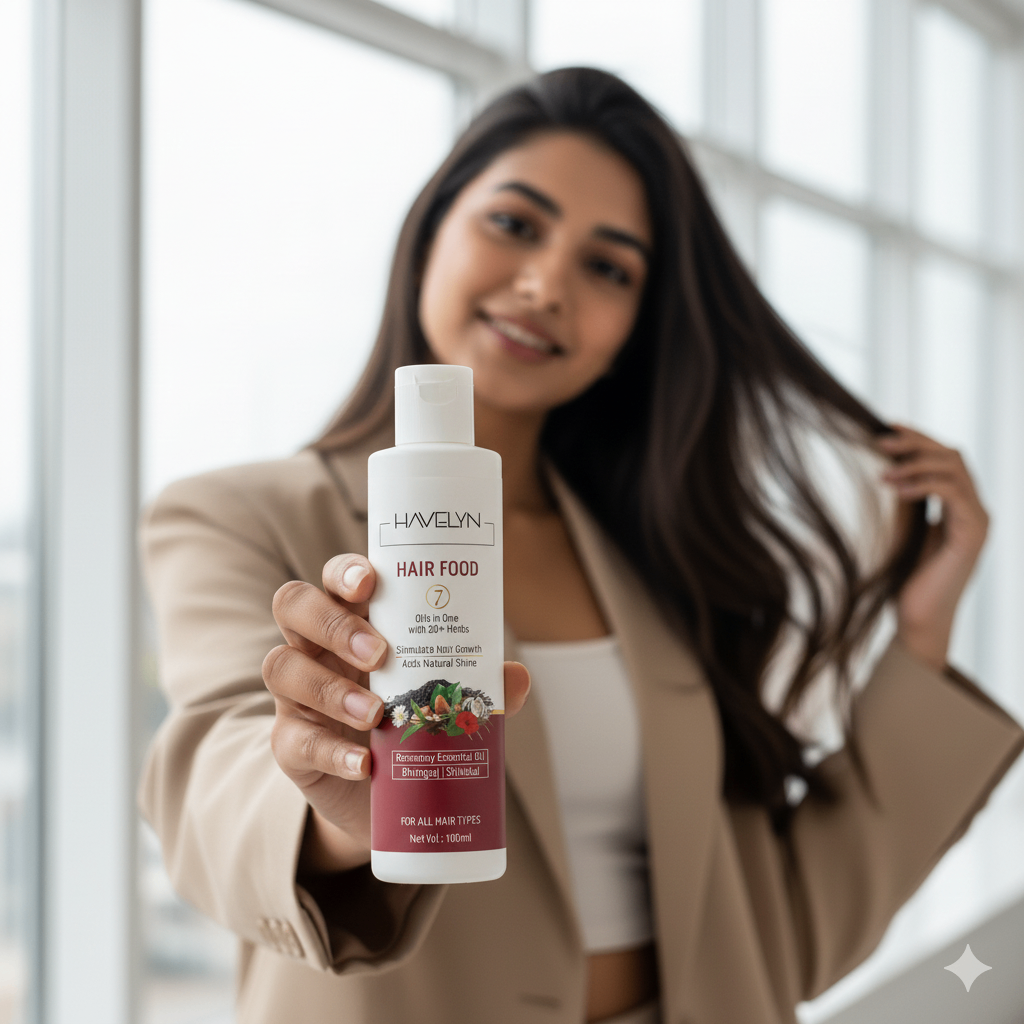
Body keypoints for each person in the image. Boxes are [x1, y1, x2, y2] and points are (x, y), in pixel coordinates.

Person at [139, 68, 1024, 1024]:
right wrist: (330, 813)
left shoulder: (662, 560)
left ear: (633, 330)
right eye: (515, 224)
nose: (545, 284)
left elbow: (787, 933)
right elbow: (215, 774)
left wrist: (921, 638)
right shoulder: (237, 515)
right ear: (430, 228)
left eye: (608, 268)